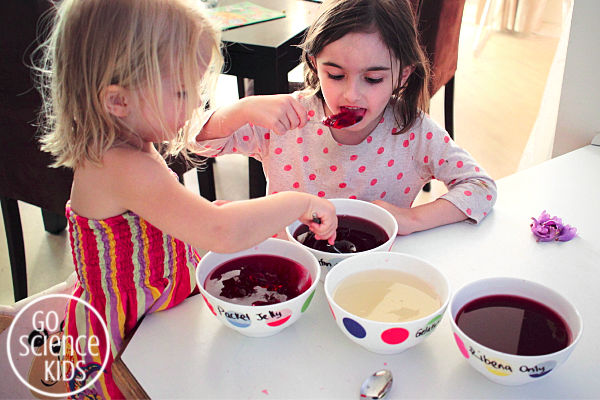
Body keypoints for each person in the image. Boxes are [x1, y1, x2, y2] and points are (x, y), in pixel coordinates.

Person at [34, 0, 337, 398]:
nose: (196, 101)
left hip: (161, 317)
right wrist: (300, 202)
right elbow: (220, 232)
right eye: (182, 90)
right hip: (129, 347)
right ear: (118, 100)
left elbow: (169, 220)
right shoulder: (121, 165)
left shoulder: (129, 144)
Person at [194, 0, 497, 236]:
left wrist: (412, 218)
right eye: (336, 75)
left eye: (374, 78)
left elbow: (480, 187)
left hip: (369, 274)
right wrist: (241, 110)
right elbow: (195, 143)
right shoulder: (287, 120)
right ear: (314, 64)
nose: (352, 95)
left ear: (402, 74)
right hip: (289, 264)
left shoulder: (414, 133)